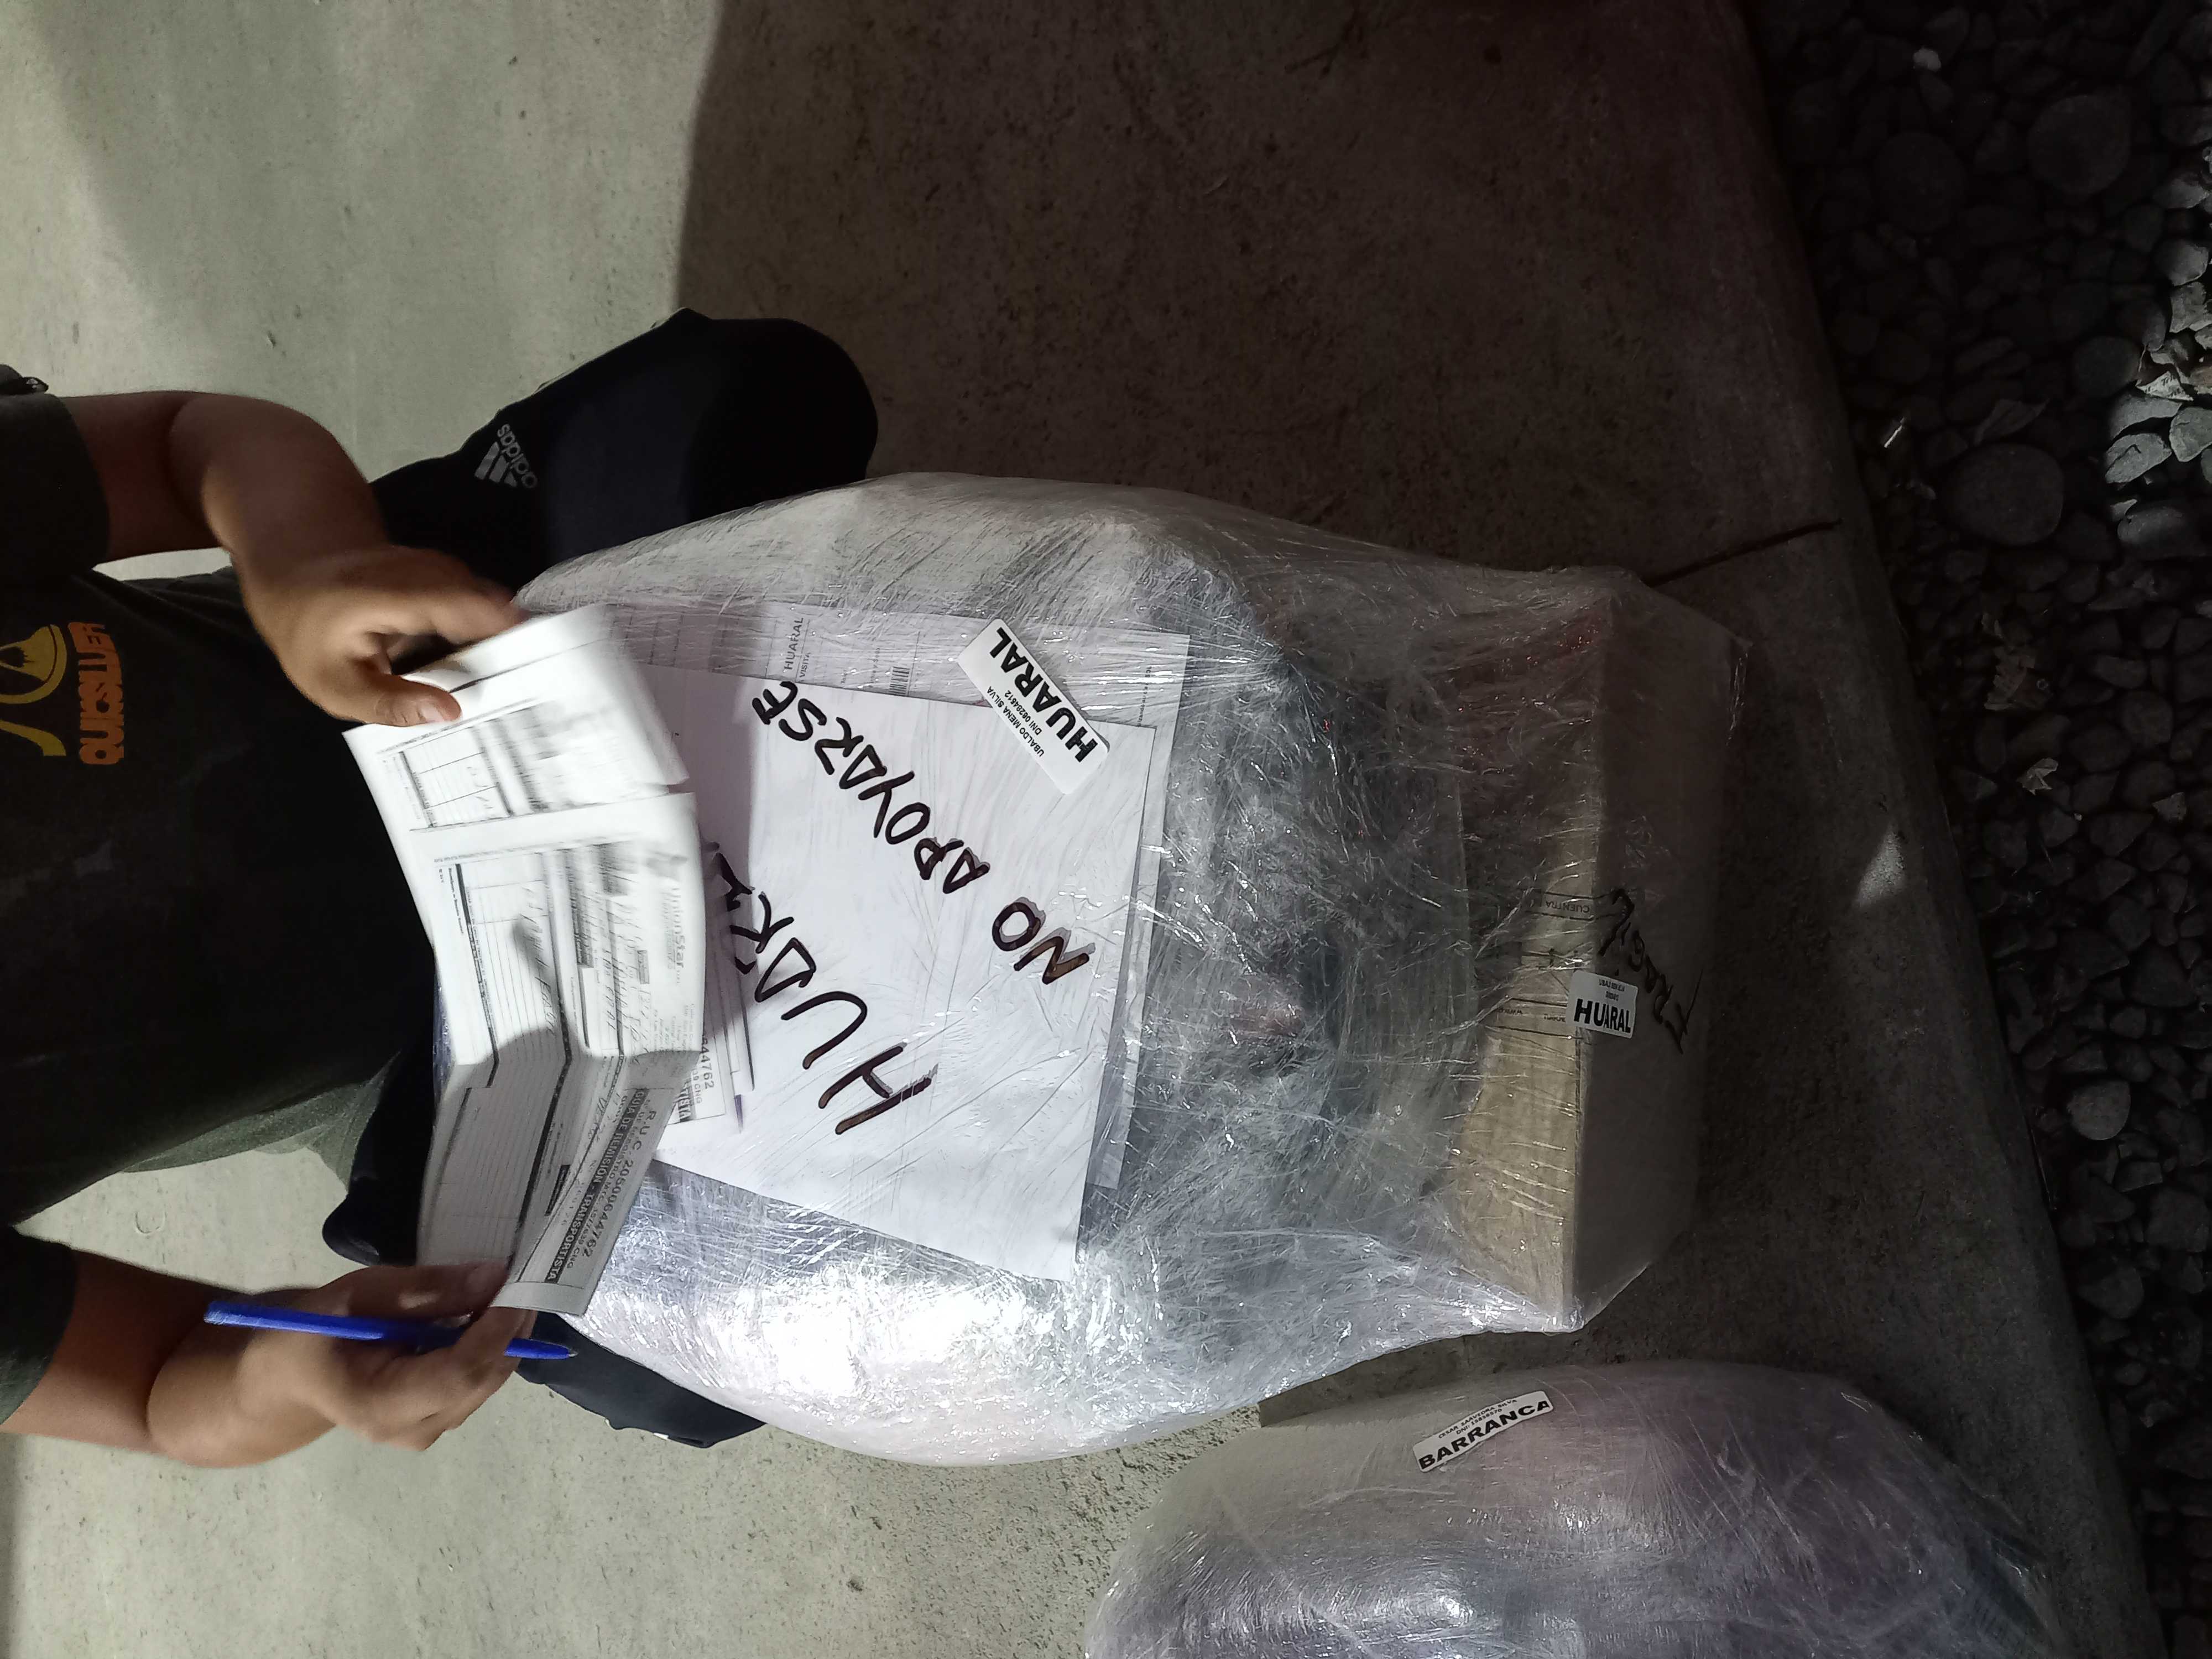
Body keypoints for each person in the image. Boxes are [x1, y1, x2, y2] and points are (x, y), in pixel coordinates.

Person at [0, 311, 877, 1463]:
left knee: (766, 395)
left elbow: (187, 442)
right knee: (716, 1358)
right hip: (432, 1067)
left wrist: (305, 563)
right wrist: (292, 1369)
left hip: (453, 648)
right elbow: (156, 1385)